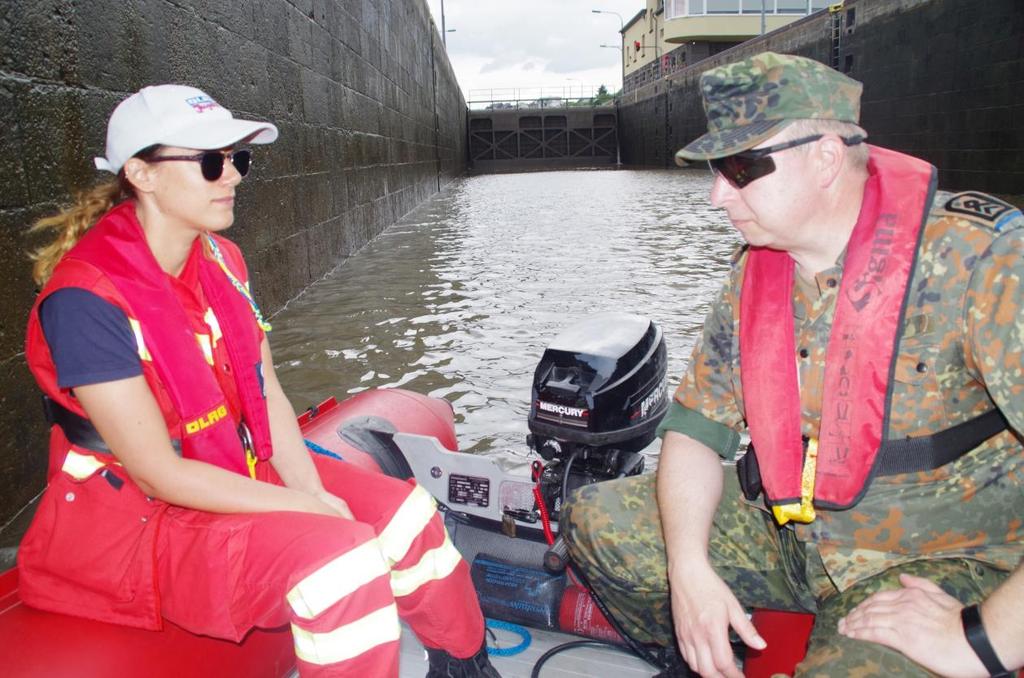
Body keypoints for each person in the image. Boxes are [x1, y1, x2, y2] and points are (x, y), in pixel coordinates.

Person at [562, 52, 1024, 677]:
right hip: (787, 529)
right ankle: (697, 660)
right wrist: (688, 573)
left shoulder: (984, 262)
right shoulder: (759, 268)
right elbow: (696, 433)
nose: (717, 194)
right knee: (595, 518)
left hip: (929, 562)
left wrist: (984, 638)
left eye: (740, 168)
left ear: (827, 158)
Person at [20, 84, 501, 678]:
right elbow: (155, 471)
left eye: (238, 158)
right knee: (340, 563)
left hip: (231, 464)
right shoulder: (85, 302)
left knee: (407, 515)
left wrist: (315, 493)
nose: (234, 176)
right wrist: (306, 507)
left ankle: (464, 664)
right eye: (210, 161)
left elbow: (265, 389)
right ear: (141, 174)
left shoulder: (223, 261)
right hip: (144, 522)